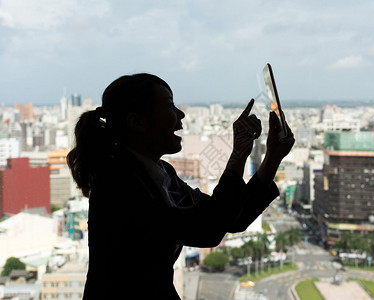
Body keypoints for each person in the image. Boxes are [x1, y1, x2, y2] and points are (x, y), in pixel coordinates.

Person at [67, 73, 295, 299]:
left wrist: (272, 157)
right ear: (137, 122)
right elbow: (209, 230)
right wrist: (238, 155)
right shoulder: (118, 183)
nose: (181, 114)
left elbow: (230, 217)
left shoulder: (161, 172)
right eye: (169, 105)